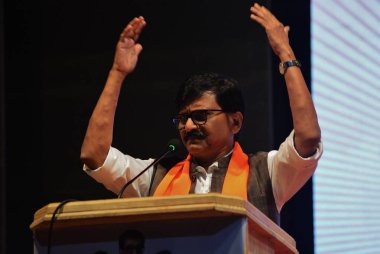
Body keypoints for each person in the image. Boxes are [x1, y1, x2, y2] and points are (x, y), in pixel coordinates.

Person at [80, 3, 323, 225]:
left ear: (235, 122)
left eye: (200, 116)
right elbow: (94, 155)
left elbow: (308, 136)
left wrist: (286, 55)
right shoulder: (154, 177)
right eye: (183, 118)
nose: (187, 127)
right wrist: (117, 73)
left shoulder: (266, 173)